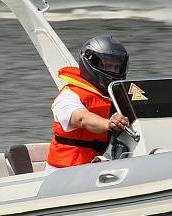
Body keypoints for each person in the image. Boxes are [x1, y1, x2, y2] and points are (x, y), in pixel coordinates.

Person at [47, 35, 130, 169]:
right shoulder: (68, 96)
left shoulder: (116, 96)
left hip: (97, 167)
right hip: (64, 172)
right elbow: (81, 119)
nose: (113, 71)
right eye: (107, 66)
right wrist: (108, 123)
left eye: (116, 67)